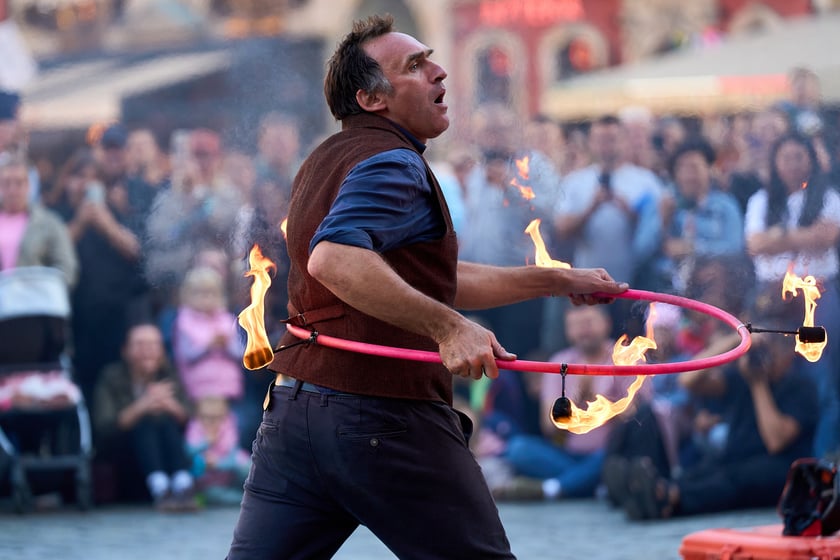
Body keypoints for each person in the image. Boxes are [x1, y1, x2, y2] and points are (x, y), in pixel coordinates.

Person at [226, 15, 628, 559]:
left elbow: (422, 281)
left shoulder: (326, 159)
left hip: (295, 414)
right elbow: (336, 260)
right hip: (382, 416)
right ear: (371, 98)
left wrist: (552, 279)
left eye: (430, 59)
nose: (439, 72)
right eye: (414, 66)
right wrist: (450, 328)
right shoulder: (394, 163)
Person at [618, 324, 818, 520]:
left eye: (770, 351)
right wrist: (736, 341)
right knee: (700, 473)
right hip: (734, 460)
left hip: (781, 472)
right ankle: (648, 493)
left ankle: (667, 499)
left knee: (732, 480)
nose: (765, 359)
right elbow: (687, 380)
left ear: (787, 355)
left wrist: (758, 384)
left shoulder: (800, 387)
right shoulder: (742, 378)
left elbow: (776, 442)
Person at [745, 132, 840, 457]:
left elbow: (826, 237)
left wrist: (778, 237)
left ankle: (822, 459)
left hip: (816, 298)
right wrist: (801, 236)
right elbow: (755, 245)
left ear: (811, 161)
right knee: (771, 371)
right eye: (786, 157)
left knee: (820, 375)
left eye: (799, 156)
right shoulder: (760, 200)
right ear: (774, 162)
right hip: (771, 300)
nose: (792, 164)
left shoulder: (827, 197)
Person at [93, 323, 198, 511]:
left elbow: (188, 419)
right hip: (126, 458)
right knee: (146, 424)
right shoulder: (111, 377)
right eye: (140, 345)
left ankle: (182, 486)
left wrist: (169, 405)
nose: (148, 351)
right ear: (125, 350)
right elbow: (105, 426)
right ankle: (161, 488)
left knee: (165, 423)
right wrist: (143, 405)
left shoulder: (168, 374)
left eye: (153, 345)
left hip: (168, 453)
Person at [0, 153, 78, 286]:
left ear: (29, 186)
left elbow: (66, 268)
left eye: (19, 183)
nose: (12, 190)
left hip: (33, 303)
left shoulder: (49, 223)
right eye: (6, 183)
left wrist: (41, 288)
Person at [172, 266, 244, 402]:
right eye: (199, 293)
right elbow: (186, 355)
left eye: (211, 293)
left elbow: (239, 353)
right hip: (200, 387)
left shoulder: (227, 319)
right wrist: (208, 346)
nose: (206, 298)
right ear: (186, 295)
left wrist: (226, 345)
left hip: (228, 385)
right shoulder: (184, 322)